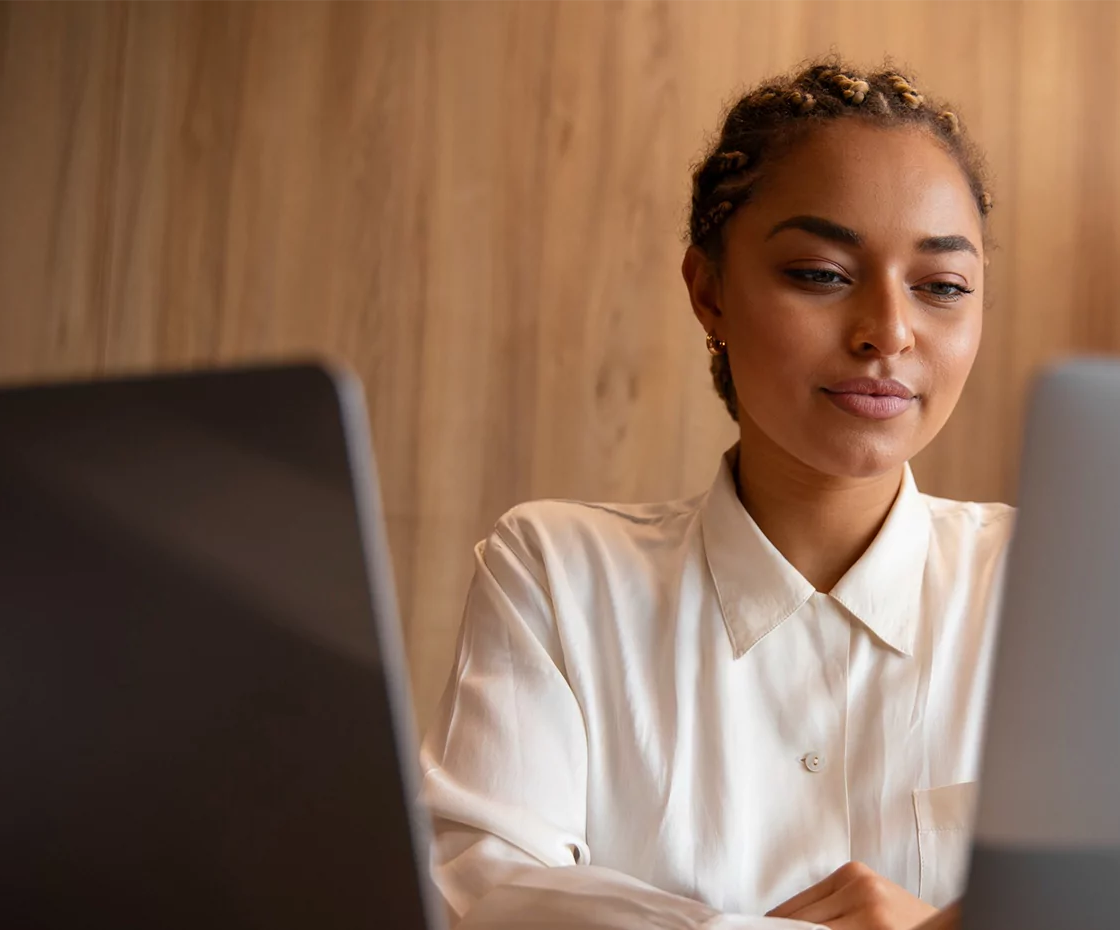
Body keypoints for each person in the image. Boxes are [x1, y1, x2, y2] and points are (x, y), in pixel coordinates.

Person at [420, 58, 1006, 930]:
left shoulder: (1053, 585)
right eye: (820, 273)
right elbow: (486, 894)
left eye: (943, 287)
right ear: (709, 292)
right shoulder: (557, 574)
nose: (888, 331)